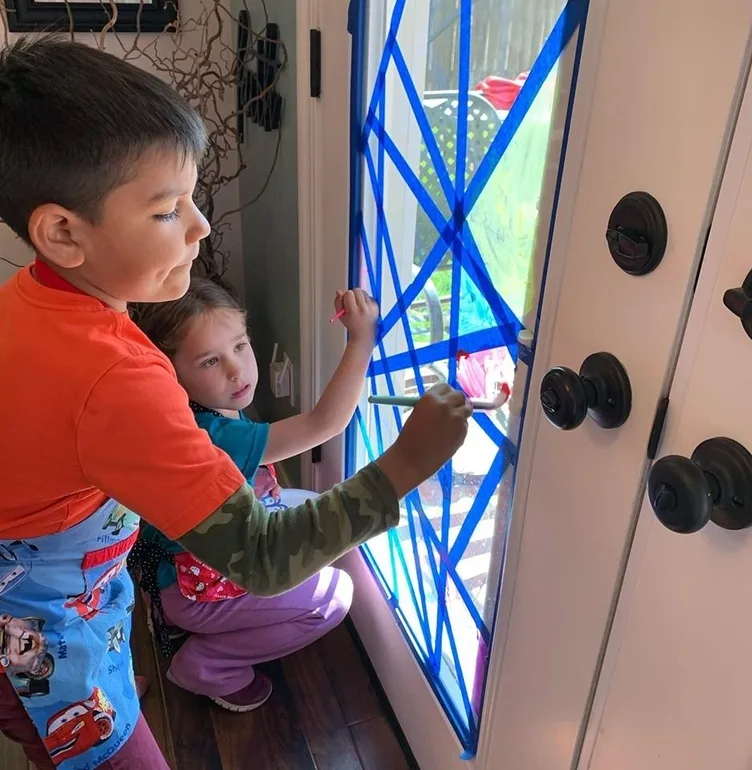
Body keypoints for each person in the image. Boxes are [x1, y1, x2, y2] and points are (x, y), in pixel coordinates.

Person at [0, 35, 471, 770]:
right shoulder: (119, 377)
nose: (201, 226)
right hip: (32, 636)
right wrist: (406, 464)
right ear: (63, 232)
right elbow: (260, 555)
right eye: (168, 210)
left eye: (192, 199)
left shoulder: (28, 301)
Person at [130, 278, 379, 712]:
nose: (236, 370)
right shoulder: (210, 433)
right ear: (170, 374)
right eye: (210, 361)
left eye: (240, 346)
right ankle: (206, 666)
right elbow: (324, 423)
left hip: (180, 567)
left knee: (310, 515)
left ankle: (176, 620)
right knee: (335, 596)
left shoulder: (197, 410)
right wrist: (361, 339)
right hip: (193, 587)